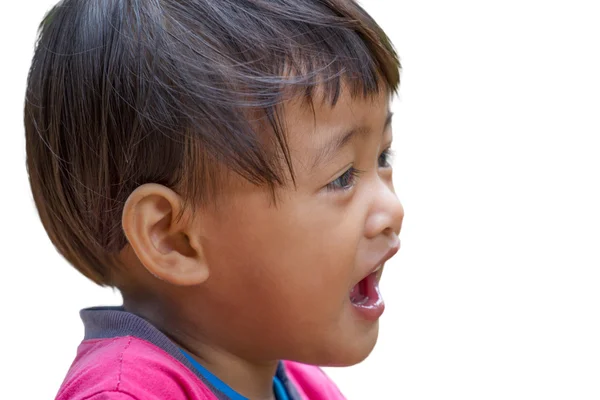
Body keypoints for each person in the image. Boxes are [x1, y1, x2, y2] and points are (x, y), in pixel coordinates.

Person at [24, 0, 403, 399]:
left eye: (382, 156)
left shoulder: (303, 385)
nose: (392, 210)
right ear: (175, 238)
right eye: (342, 177)